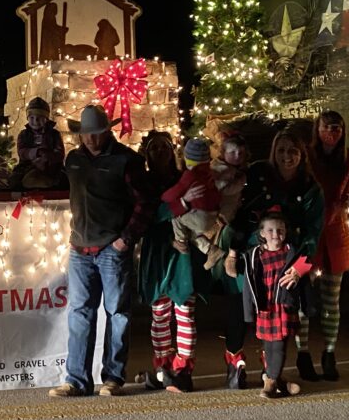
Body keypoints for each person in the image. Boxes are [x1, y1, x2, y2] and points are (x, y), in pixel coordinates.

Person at [49, 104, 154, 398]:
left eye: (96, 133)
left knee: (117, 312)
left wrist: (125, 239)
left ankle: (113, 377)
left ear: (108, 131)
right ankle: (77, 380)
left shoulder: (127, 160)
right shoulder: (73, 160)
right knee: (80, 313)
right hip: (80, 247)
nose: (91, 139)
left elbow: (145, 202)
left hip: (111, 247)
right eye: (87, 135)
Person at [224, 128, 325, 385]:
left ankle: (271, 369)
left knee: (280, 315)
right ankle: (235, 363)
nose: (286, 156)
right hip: (254, 257)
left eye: (293, 151)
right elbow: (239, 213)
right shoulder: (258, 175)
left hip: (288, 262)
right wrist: (233, 252)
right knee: (241, 305)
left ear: (302, 155)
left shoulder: (310, 188)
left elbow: (313, 232)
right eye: (281, 150)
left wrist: (301, 267)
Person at [137, 131, 207, 393]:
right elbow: (148, 214)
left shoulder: (184, 179)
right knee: (160, 314)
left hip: (181, 254)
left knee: (185, 311)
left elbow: (199, 211)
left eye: (164, 147)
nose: (159, 152)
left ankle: (183, 368)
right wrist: (178, 205)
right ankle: (164, 367)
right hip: (157, 252)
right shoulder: (143, 183)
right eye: (153, 148)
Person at [305, 110, 349, 381]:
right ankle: (302, 354)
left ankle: (329, 353)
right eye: (326, 126)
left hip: (336, 236)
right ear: (317, 129)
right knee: (304, 301)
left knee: (331, 301)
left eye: (337, 127)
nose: (332, 131)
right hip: (308, 236)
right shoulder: (307, 156)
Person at [239, 208, 305, 399]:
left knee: (280, 346)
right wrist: (248, 312)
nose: (276, 234)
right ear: (261, 233)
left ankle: (270, 383)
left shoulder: (291, 252)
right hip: (265, 307)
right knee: (269, 348)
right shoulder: (255, 256)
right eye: (270, 230)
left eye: (280, 229)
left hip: (283, 306)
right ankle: (281, 383)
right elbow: (247, 286)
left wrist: (299, 271)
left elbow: (307, 260)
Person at [208, 130, 253, 388]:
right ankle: (233, 357)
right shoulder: (220, 173)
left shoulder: (249, 177)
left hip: (241, 236)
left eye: (240, 153)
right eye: (231, 152)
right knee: (235, 299)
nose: (236, 156)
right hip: (222, 232)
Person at [162, 136, 224, 269]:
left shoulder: (190, 175)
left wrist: (164, 197)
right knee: (193, 232)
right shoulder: (210, 172)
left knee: (175, 215)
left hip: (200, 215)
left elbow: (175, 192)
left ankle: (181, 241)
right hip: (212, 215)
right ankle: (211, 250)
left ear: (187, 158)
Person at [9, 96, 66, 190]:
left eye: (40, 117)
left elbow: (59, 154)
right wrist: (36, 152)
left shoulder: (54, 134)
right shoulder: (24, 134)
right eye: (31, 117)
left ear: (46, 119)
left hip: (51, 167)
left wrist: (46, 158)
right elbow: (22, 152)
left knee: (64, 181)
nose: (35, 121)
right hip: (28, 166)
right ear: (27, 118)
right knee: (14, 182)